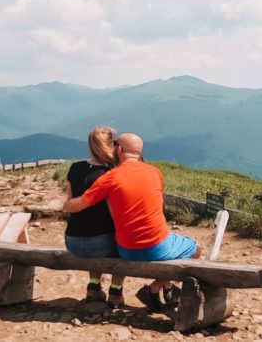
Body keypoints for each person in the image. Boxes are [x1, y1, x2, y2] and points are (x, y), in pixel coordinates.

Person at [62, 132, 200, 312]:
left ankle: (165, 287)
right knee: (195, 249)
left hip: (126, 249)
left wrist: (66, 204)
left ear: (119, 149)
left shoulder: (110, 178)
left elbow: (78, 205)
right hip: (157, 246)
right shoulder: (155, 172)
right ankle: (156, 288)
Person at [63, 126, 127, 308]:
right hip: (101, 244)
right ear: (113, 146)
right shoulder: (111, 175)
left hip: (72, 241)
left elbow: (69, 203)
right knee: (122, 242)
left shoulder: (74, 168)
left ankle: (93, 287)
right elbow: (116, 216)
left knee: (91, 230)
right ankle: (116, 291)